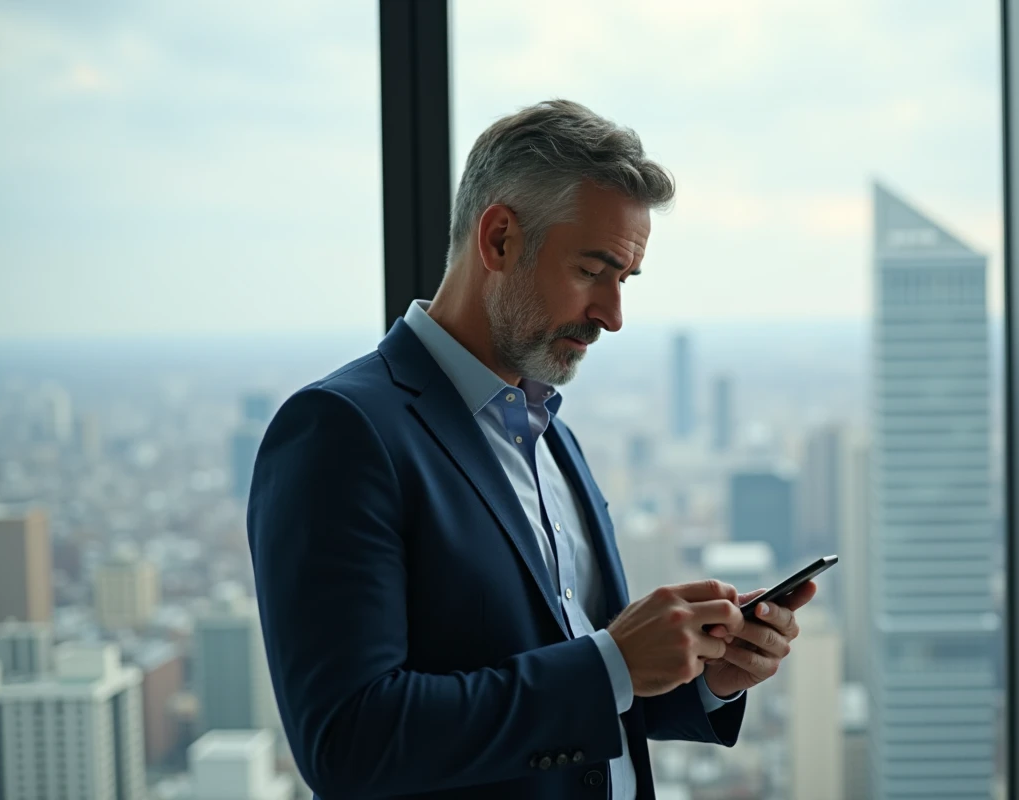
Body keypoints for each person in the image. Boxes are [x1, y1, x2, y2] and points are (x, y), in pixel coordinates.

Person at [247, 99, 816, 800]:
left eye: (623, 280)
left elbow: (585, 690)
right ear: (499, 240)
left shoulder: (553, 436)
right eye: (592, 271)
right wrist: (612, 664)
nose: (613, 316)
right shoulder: (340, 431)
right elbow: (350, 740)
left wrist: (705, 678)